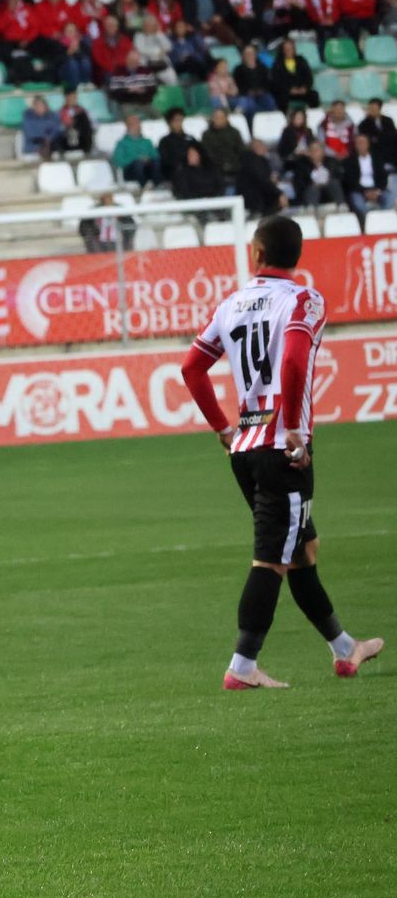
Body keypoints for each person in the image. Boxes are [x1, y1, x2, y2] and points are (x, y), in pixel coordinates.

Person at [179, 215, 384, 691]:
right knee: (272, 558)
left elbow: (192, 368)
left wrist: (222, 428)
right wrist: (293, 427)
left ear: (256, 253)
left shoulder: (230, 304)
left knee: (301, 549)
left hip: (246, 448)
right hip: (281, 448)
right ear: (298, 254)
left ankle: (345, 648)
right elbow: (292, 359)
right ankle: (243, 665)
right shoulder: (302, 299)